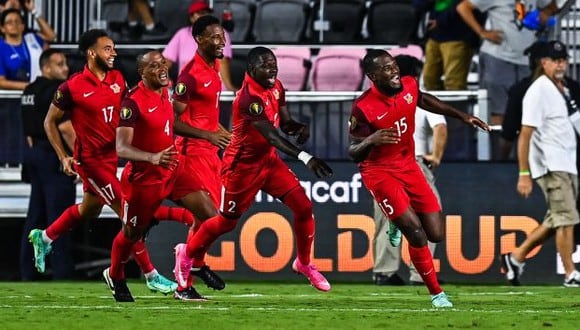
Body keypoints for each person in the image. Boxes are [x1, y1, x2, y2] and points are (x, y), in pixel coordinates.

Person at [28, 29, 191, 294]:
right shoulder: (71, 87)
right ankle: (150, 275)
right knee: (128, 217)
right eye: (107, 48)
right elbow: (50, 121)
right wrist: (63, 156)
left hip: (114, 158)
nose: (113, 53)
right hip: (91, 162)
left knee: (89, 210)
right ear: (91, 53)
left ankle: (44, 236)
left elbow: (130, 113)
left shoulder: (117, 78)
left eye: (113, 48)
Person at [173, 46, 333, 300]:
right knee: (226, 222)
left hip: (268, 162)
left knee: (303, 206)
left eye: (273, 63)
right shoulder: (248, 98)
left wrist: (299, 127)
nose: (272, 68)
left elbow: (284, 122)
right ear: (250, 70)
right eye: (265, 65)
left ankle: (304, 263)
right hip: (241, 168)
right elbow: (271, 135)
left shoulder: (276, 85)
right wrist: (305, 156)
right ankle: (187, 254)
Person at [348, 49, 489, 307]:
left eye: (393, 66)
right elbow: (353, 152)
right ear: (372, 76)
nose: (394, 72)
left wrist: (462, 115)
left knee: (435, 234)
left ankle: (396, 220)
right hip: (379, 172)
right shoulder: (363, 108)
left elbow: (422, 99)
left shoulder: (409, 84)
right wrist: (370, 139)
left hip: (409, 165)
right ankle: (437, 294)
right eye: (387, 69)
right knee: (416, 233)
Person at [103, 50, 204, 302]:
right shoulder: (132, 102)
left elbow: (170, 123)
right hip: (144, 180)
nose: (162, 68)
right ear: (142, 73)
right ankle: (115, 275)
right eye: (155, 66)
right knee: (132, 234)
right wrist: (152, 157)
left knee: (209, 214)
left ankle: (186, 270)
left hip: (172, 169)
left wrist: (207, 134)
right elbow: (121, 147)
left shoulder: (164, 93)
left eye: (163, 63)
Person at [501, 40, 580, 287]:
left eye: (563, 60)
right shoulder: (538, 90)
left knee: (557, 218)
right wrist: (524, 172)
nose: (560, 64)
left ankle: (515, 257)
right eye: (554, 60)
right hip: (551, 164)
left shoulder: (563, 89)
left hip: (567, 163)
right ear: (543, 62)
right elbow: (525, 134)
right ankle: (570, 274)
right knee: (566, 219)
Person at [169, 14, 233, 301]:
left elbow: (206, 115)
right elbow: (173, 121)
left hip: (210, 153)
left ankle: (186, 284)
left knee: (201, 219)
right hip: (191, 152)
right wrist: (207, 136)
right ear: (199, 39)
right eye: (215, 38)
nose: (221, 42)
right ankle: (191, 260)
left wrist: (223, 133)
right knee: (212, 218)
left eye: (223, 37)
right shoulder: (190, 75)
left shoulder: (215, 66)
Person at [372, 55, 448, 286]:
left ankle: (383, 272)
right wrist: (436, 156)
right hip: (410, 162)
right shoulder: (416, 95)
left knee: (388, 218)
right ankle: (420, 273)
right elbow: (440, 128)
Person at [19, 48, 75, 281]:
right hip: (54, 156)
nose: (65, 68)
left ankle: (27, 271)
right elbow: (64, 128)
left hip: (33, 154)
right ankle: (62, 272)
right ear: (45, 68)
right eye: (59, 64)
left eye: (65, 63)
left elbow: (29, 133)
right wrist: (75, 157)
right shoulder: (56, 91)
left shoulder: (28, 91)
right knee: (60, 217)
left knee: (35, 216)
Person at [456, 0, 557, 125]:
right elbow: (463, 7)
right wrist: (482, 32)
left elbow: (553, 4)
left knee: (529, 109)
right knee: (498, 110)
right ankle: (498, 143)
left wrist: (546, 12)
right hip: (498, 58)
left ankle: (521, 144)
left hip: (527, 59)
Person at [163, 0, 237, 92]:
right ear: (191, 18)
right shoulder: (181, 34)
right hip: (187, 93)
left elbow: (222, 62)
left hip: (214, 92)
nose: (203, 16)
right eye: (200, 13)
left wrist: (229, 87)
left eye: (206, 13)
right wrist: (164, 81)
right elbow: (164, 62)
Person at [413, 0, 478, 91]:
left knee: (454, 82)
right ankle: (437, 104)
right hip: (434, 36)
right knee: (429, 79)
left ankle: (455, 105)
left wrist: (440, 21)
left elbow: (463, 5)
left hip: (457, 36)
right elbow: (418, 5)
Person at [0, 5, 56, 90]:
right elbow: (1, 82)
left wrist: (34, 11)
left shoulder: (32, 38)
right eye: (9, 22)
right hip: (13, 97)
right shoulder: (1, 48)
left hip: (41, 92)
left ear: (22, 26)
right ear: (2, 28)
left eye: (17, 21)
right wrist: (29, 87)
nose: (14, 24)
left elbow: (51, 36)